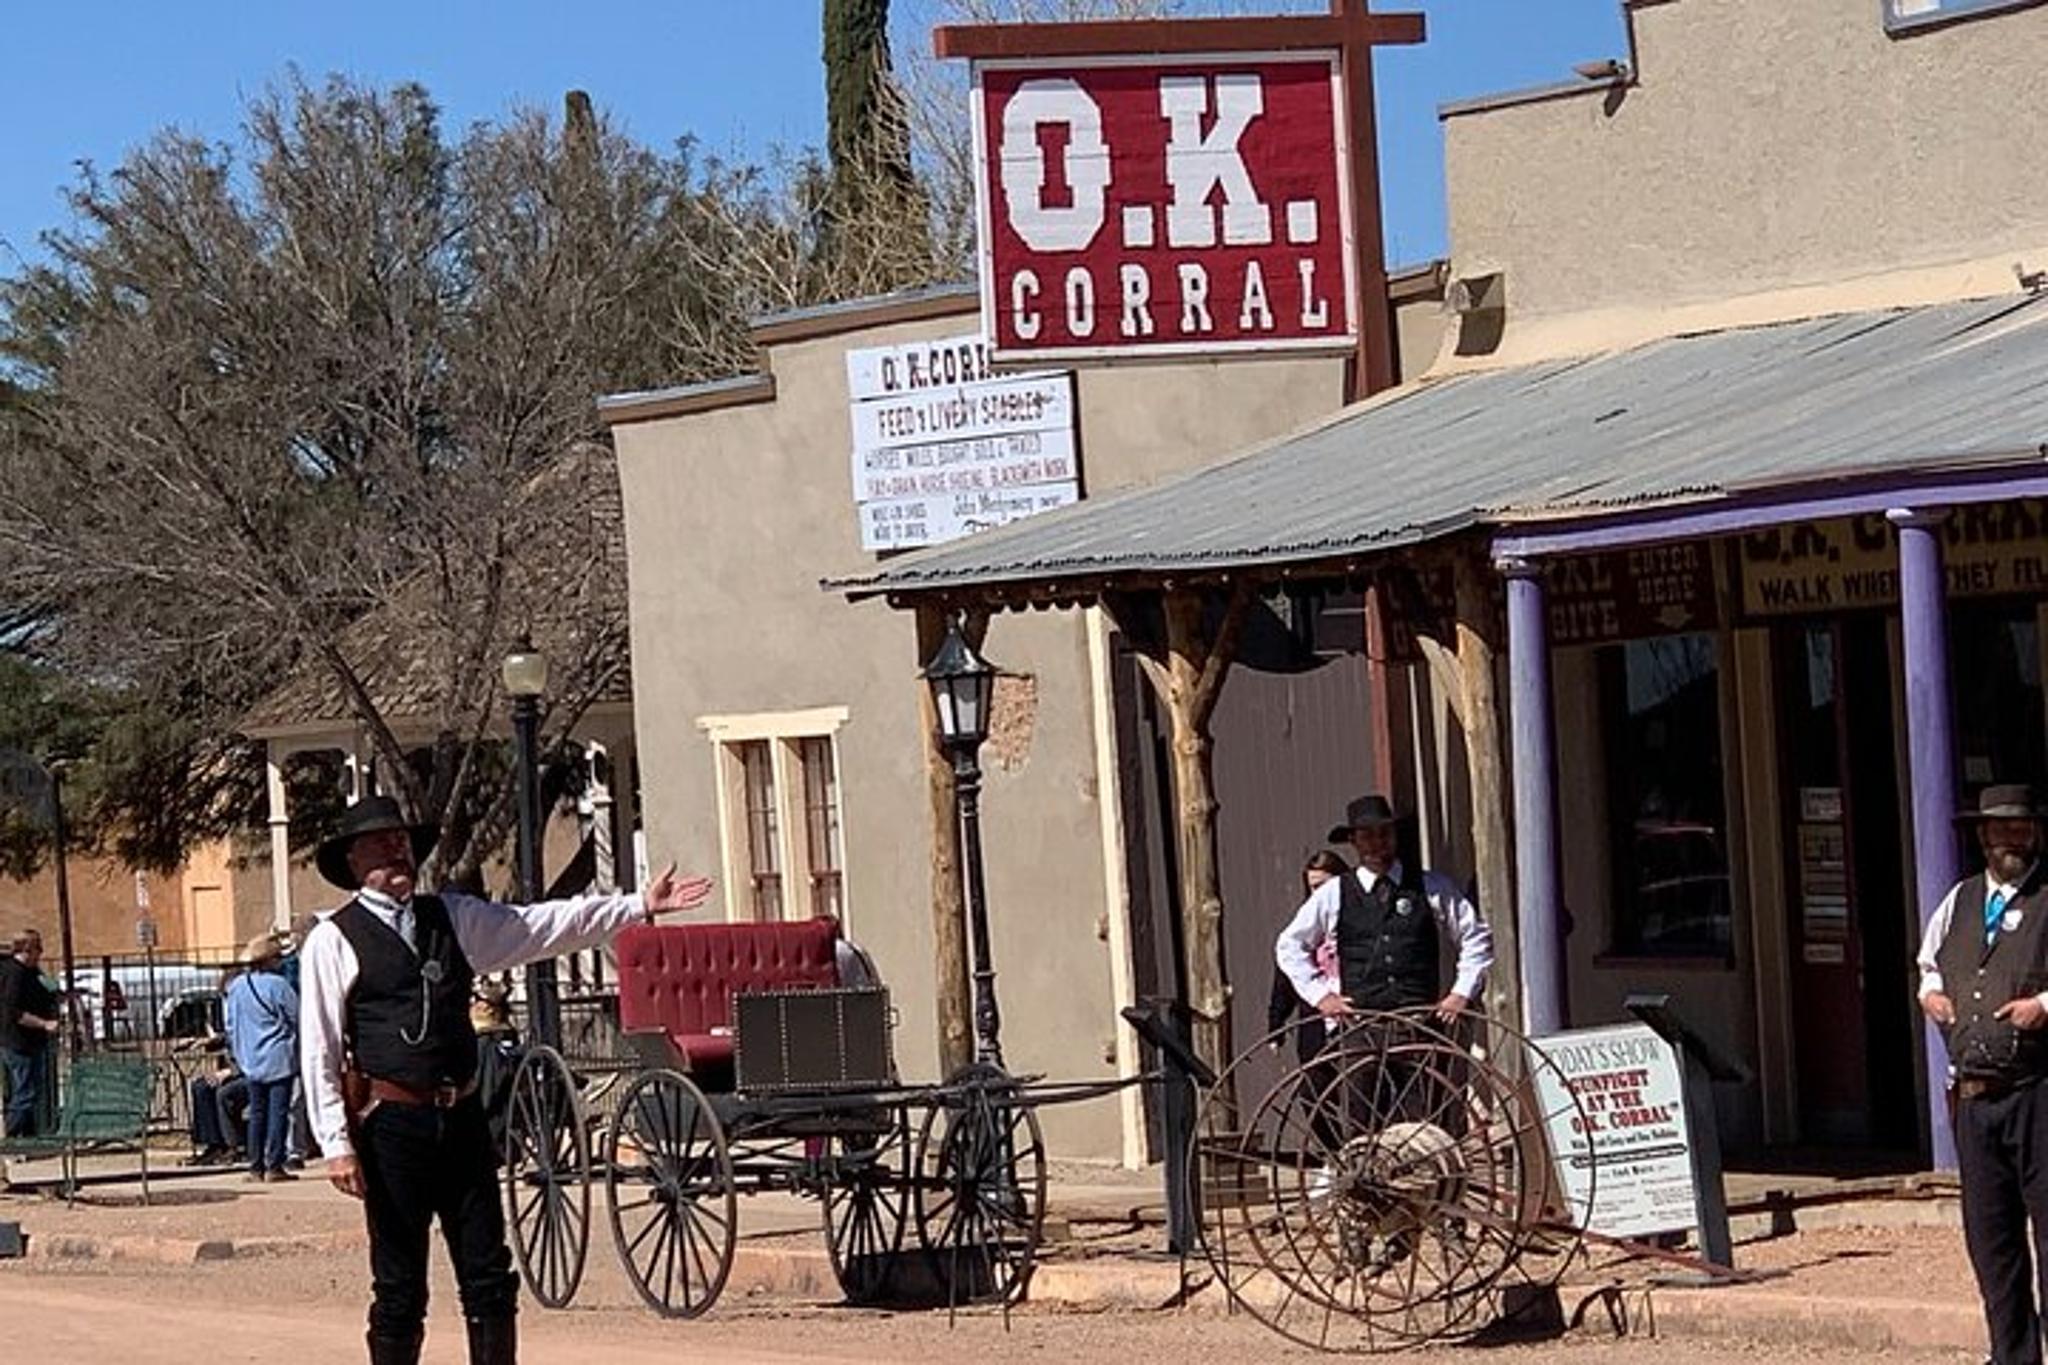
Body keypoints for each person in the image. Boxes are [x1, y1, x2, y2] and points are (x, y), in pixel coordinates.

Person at [299, 795, 711, 1365]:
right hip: (392, 1122)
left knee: (489, 1272)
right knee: (399, 1284)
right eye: (380, 844)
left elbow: (540, 927)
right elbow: (317, 1044)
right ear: (352, 860)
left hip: (462, 1114)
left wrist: (638, 904)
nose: (397, 853)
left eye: (402, 843)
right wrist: (336, 1145)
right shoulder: (332, 939)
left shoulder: (453, 918)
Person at [1917, 783, 2048, 1365]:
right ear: (1981, 837)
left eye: (2018, 829)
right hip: (1974, 1097)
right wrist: (1932, 994)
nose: (2009, 840)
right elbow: (1928, 965)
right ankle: (2012, 1355)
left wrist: (2043, 1005)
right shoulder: (1960, 900)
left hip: (2037, 1091)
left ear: (2035, 833)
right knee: (1992, 1241)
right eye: (1999, 830)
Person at [226, 932, 300, 1182]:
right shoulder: (278, 986)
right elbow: (296, 1016)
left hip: (251, 1059)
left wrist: (239, 1053)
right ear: (269, 960)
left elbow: (230, 1024)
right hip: (278, 1056)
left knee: (257, 1113)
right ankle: (274, 1164)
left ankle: (254, 1166)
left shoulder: (236, 987)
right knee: (278, 1112)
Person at [1268, 850, 1350, 1065]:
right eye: (1314, 887)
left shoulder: (1358, 918)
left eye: (1324, 885)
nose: (1319, 894)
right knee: (1317, 1087)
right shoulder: (1306, 928)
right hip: (1316, 1023)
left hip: (1354, 1018)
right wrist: (1276, 1026)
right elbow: (1285, 978)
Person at [0, 929, 62, 1138]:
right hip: (18, 1043)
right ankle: (10, 1137)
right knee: (24, 1093)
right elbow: (14, 1012)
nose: (41, 953)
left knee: (32, 1092)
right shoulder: (14, 973)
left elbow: (47, 990)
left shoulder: (33, 972)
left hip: (33, 1043)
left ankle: (28, 1137)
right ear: (27, 949)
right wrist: (44, 1024)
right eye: (38, 948)